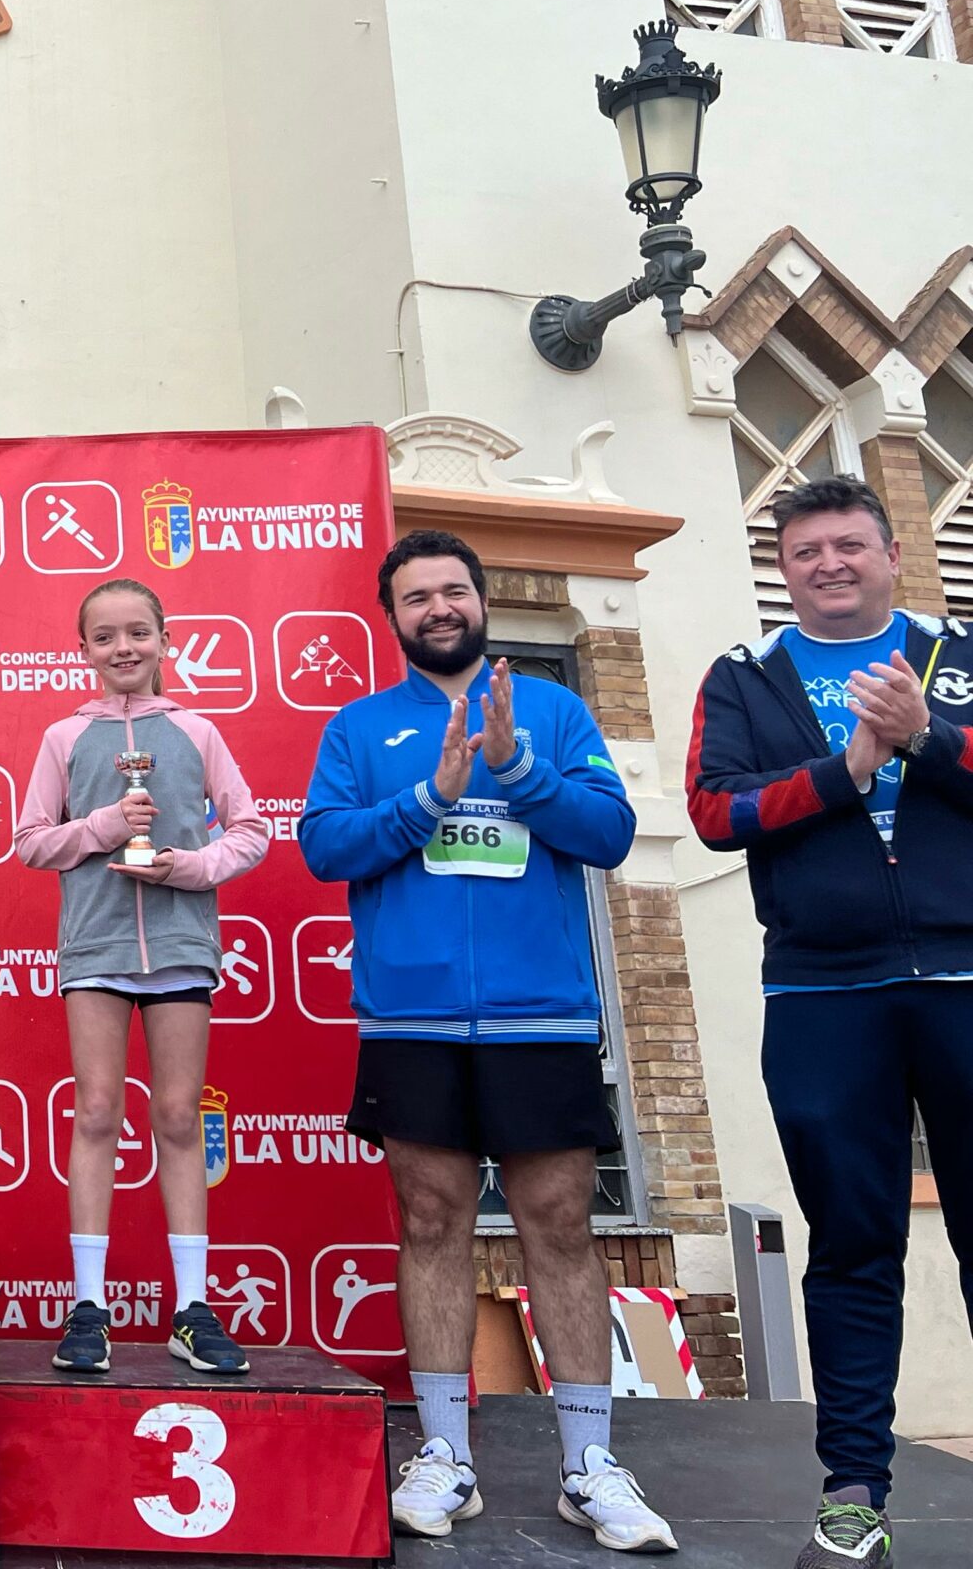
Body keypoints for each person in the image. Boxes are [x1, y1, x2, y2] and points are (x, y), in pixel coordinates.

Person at [300, 529, 675, 1553]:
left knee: (559, 1221)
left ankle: (589, 1466)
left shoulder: (550, 711)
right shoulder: (360, 726)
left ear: (479, 599)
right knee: (430, 1222)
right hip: (411, 1017)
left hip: (539, 1013)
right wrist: (427, 798)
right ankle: (445, 1455)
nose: (439, 608)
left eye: (453, 591)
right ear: (392, 617)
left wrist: (516, 769)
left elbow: (606, 834)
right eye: (417, 597)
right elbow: (325, 845)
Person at [686, 476, 973, 1569]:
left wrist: (925, 739)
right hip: (821, 995)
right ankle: (853, 1497)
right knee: (852, 1247)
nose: (828, 565)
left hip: (964, 977)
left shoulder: (954, 656)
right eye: (806, 551)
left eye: (849, 545)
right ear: (785, 569)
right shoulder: (743, 676)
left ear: (892, 555)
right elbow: (716, 811)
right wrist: (845, 770)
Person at [15, 578, 269, 1377]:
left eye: (137, 633)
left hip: (182, 945)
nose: (122, 648)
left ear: (166, 639)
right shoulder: (63, 736)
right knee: (96, 1111)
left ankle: (192, 1309)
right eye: (104, 637)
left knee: (179, 1116)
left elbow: (251, 830)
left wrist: (186, 867)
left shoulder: (198, 731)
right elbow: (30, 840)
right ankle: (87, 1307)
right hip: (94, 949)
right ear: (82, 650)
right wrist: (100, 827)